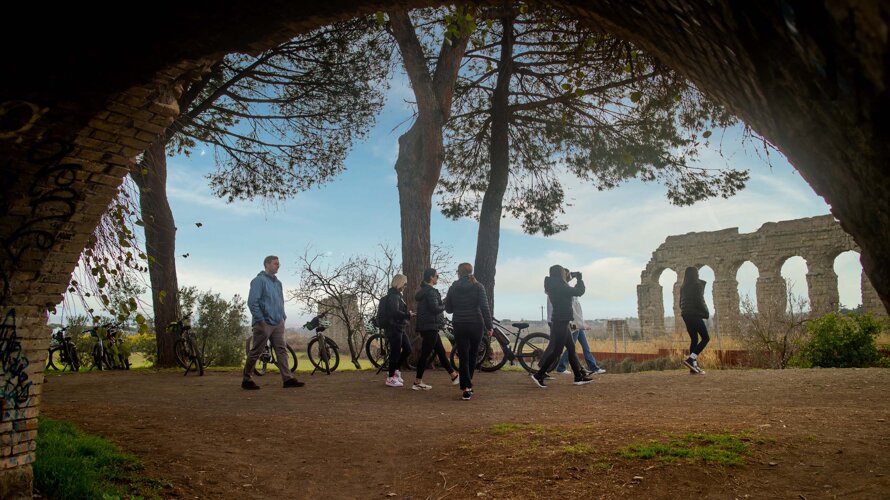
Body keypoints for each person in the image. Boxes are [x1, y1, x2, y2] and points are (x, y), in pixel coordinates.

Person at [243, 255, 304, 390]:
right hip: (263, 323)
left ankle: (287, 379)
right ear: (267, 265)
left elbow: (280, 301)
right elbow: (252, 302)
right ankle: (247, 379)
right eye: (275, 263)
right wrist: (261, 320)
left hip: (278, 322)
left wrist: (283, 316)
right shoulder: (258, 281)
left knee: (281, 350)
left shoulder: (278, 283)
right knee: (256, 351)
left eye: (278, 263)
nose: (278, 265)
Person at [531, 265, 593, 388]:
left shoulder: (554, 286)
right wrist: (579, 279)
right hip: (560, 322)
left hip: (560, 321)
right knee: (557, 351)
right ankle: (539, 374)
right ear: (560, 274)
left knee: (571, 349)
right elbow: (579, 291)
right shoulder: (560, 286)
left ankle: (578, 376)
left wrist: (570, 279)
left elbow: (568, 290)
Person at [444, 263, 493, 401]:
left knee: (463, 356)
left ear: (459, 272)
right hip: (476, 324)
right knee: (473, 355)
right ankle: (468, 384)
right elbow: (484, 307)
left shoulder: (453, 287)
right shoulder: (478, 286)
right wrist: (489, 326)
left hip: (459, 324)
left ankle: (466, 387)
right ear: (471, 271)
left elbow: (448, 309)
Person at [413, 268, 459, 390]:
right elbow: (434, 308)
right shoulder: (431, 292)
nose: (438, 278)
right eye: (437, 276)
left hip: (427, 326)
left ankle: (454, 376)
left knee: (441, 352)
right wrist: (444, 305)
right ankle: (417, 382)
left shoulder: (423, 291)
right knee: (425, 354)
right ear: (431, 277)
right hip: (431, 326)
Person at [551, 294, 606, 376]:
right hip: (575, 327)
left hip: (578, 327)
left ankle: (594, 368)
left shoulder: (574, 299)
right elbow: (575, 316)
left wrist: (582, 325)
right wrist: (583, 325)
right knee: (571, 348)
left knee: (586, 348)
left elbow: (578, 316)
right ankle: (561, 367)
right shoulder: (572, 300)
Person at [383, 274, 414, 387]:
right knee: (395, 353)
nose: (406, 286)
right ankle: (390, 378)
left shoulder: (397, 295)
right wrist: (407, 314)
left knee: (408, 349)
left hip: (399, 327)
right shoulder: (394, 296)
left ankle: (395, 371)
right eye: (405, 284)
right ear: (400, 283)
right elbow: (394, 312)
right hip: (394, 328)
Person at [680, 266, 709, 374]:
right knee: (706, 338)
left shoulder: (683, 287)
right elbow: (700, 301)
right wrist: (706, 313)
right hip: (694, 315)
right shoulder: (697, 285)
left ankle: (693, 367)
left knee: (694, 339)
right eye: (697, 273)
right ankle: (691, 359)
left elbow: (680, 303)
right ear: (695, 274)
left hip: (686, 315)